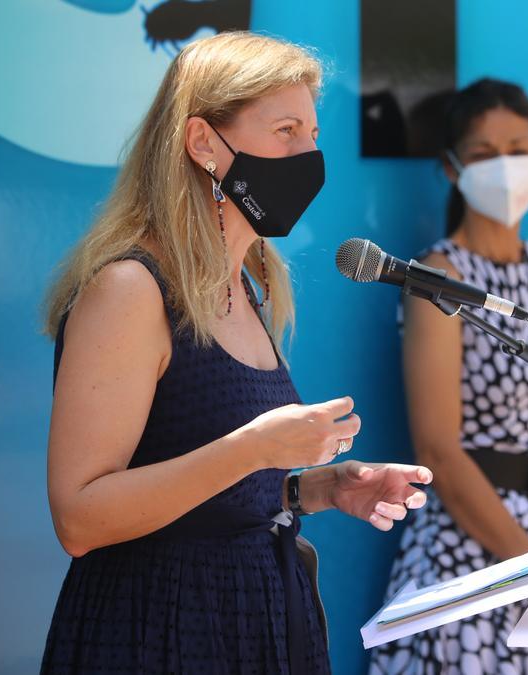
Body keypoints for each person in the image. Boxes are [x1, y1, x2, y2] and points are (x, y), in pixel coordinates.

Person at [39, 32, 431, 674]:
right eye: (285, 130)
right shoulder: (130, 289)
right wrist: (255, 447)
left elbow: (210, 487)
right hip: (155, 633)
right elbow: (80, 517)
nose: (309, 154)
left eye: (311, 132)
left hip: (253, 623)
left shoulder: (249, 283)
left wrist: (323, 488)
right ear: (202, 144)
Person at [368, 78, 528, 675]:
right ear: (450, 169)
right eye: (483, 153)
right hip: (469, 554)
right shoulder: (437, 281)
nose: (504, 166)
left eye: (519, 148)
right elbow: (439, 452)